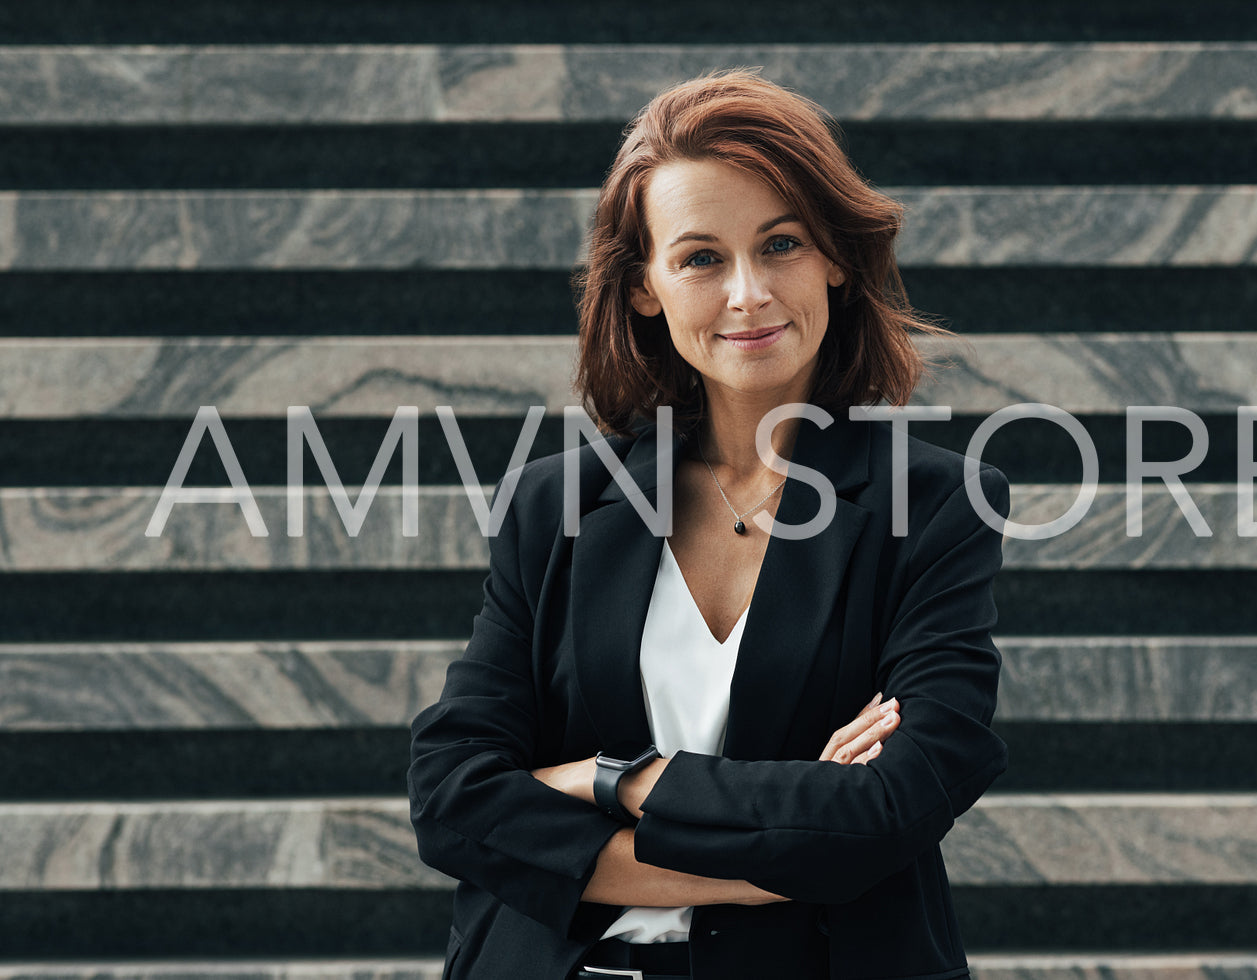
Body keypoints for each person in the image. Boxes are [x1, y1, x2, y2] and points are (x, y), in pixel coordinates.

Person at [408, 69, 1011, 980]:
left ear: (835, 259)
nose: (747, 294)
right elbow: (451, 796)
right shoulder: (556, 505)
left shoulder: (932, 508)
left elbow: (893, 805)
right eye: (699, 258)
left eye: (780, 245)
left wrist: (613, 778)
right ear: (645, 285)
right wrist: (780, 861)